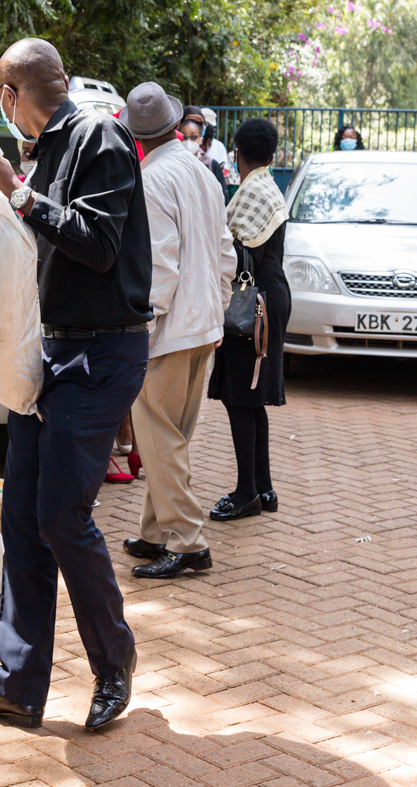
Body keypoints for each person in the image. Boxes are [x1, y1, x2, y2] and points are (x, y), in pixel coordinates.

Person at [0, 38, 151, 732]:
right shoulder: (42, 151)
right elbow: (26, 273)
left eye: (1, 102)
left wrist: (17, 192)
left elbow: (98, 244)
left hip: (102, 358)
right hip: (45, 356)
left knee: (62, 515)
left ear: (11, 93)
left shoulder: (99, 136)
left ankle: (114, 662)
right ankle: (18, 686)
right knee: (25, 522)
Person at [117, 83, 237, 578]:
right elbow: (227, 253)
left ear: (136, 137)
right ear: (174, 123)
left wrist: (142, 327)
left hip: (171, 327)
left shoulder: (151, 179)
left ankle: (187, 541)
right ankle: (154, 532)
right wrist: (217, 310)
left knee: (158, 434)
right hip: (204, 323)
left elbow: (159, 267)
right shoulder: (202, 171)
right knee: (171, 435)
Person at [208, 118, 290, 521]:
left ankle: (246, 493)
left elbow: (233, 252)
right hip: (268, 299)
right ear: (272, 153)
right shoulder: (266, 186)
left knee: (241, 396)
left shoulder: (249, 192)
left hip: (250, 306)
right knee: (252, 397)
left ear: (236, 153)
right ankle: (264, 487)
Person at [179, 116, 226, 191]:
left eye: (193, 137)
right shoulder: (173, 164)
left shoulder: (212, 165)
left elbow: (221, 197)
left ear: (201, 140)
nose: (188, 141)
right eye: (184, 137)